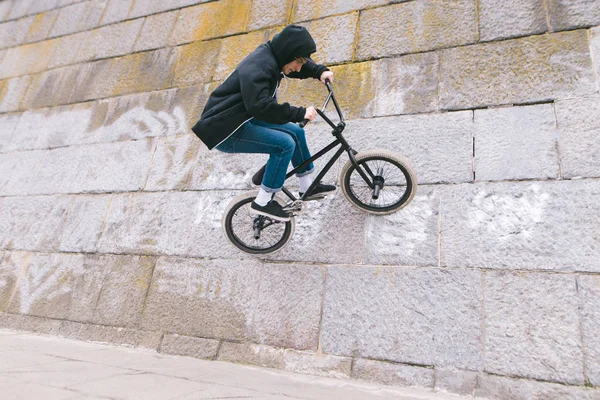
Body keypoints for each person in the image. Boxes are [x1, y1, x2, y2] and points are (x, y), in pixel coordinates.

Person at [191, 25, 335, 222]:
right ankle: (263, 202)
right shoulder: (259, 66)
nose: (299, 68)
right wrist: (299, 112)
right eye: (298, 62)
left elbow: (291, 67)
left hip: (243, 118)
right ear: (287, 54)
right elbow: (260, 107)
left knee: (296, 132)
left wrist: (319, 71)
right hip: (225, 130)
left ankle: (306, 187)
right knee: (284, 145)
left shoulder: (275, 58)